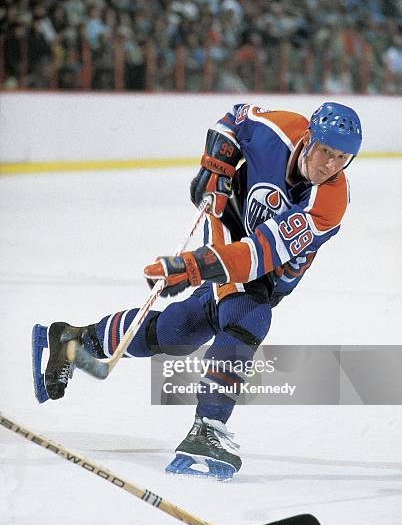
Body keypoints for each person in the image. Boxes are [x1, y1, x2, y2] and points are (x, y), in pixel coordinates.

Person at [33, 101, 362, 480]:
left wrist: (192, 268)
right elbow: (236, 117)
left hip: (259, 265)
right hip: (226, 221)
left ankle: (75, 340)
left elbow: (259, 255)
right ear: (308, 139)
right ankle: (207, 429)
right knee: (248, 316)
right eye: (324, 151)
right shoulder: (278, 128)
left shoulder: (330, 201)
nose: (330, 165)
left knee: (179, 331)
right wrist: (215, 165)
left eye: (342, 158)